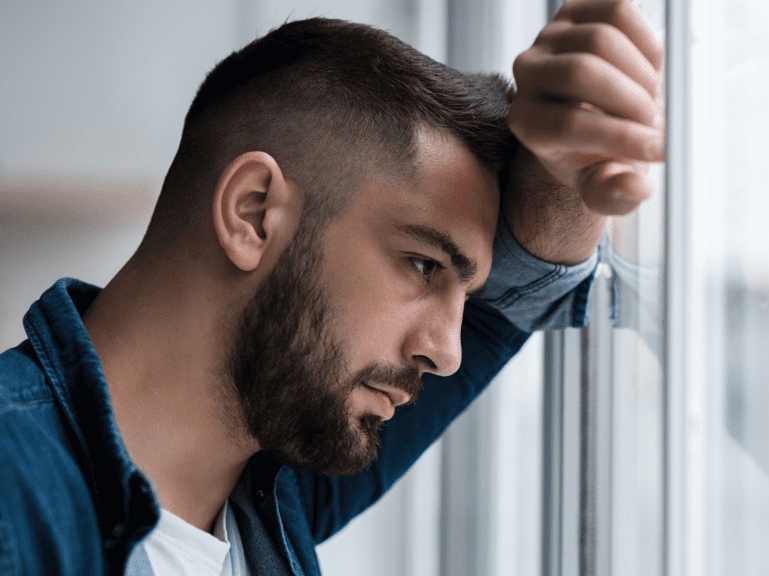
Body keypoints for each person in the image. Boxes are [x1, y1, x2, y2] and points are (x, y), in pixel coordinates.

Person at [0, 0, 664, 574]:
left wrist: (569, 161)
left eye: (462, 291)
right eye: (423, 264)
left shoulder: (269, 487)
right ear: (255, 213)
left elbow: (519, 288)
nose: (449, 351)